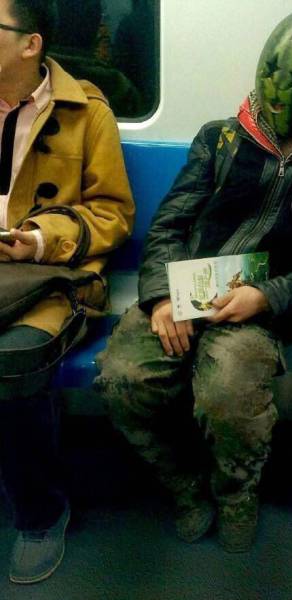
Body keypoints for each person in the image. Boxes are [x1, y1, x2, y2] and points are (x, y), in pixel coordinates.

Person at [96, 9, 292, 553]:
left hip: (258, 308)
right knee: (123, 378)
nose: (282, 90)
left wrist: (267, 295)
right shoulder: (220, 138)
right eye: (274, 73)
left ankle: (235, 492)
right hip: (182, 290)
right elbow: (170, 223)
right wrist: (161, 297)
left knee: (229, 396)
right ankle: (183, 484)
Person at [0, 0, 134, 584]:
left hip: (54, 278)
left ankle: (40, 511)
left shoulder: (87, 111)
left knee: (13, 359)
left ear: (29, 44)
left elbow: (112, 214)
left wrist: (37, 240)